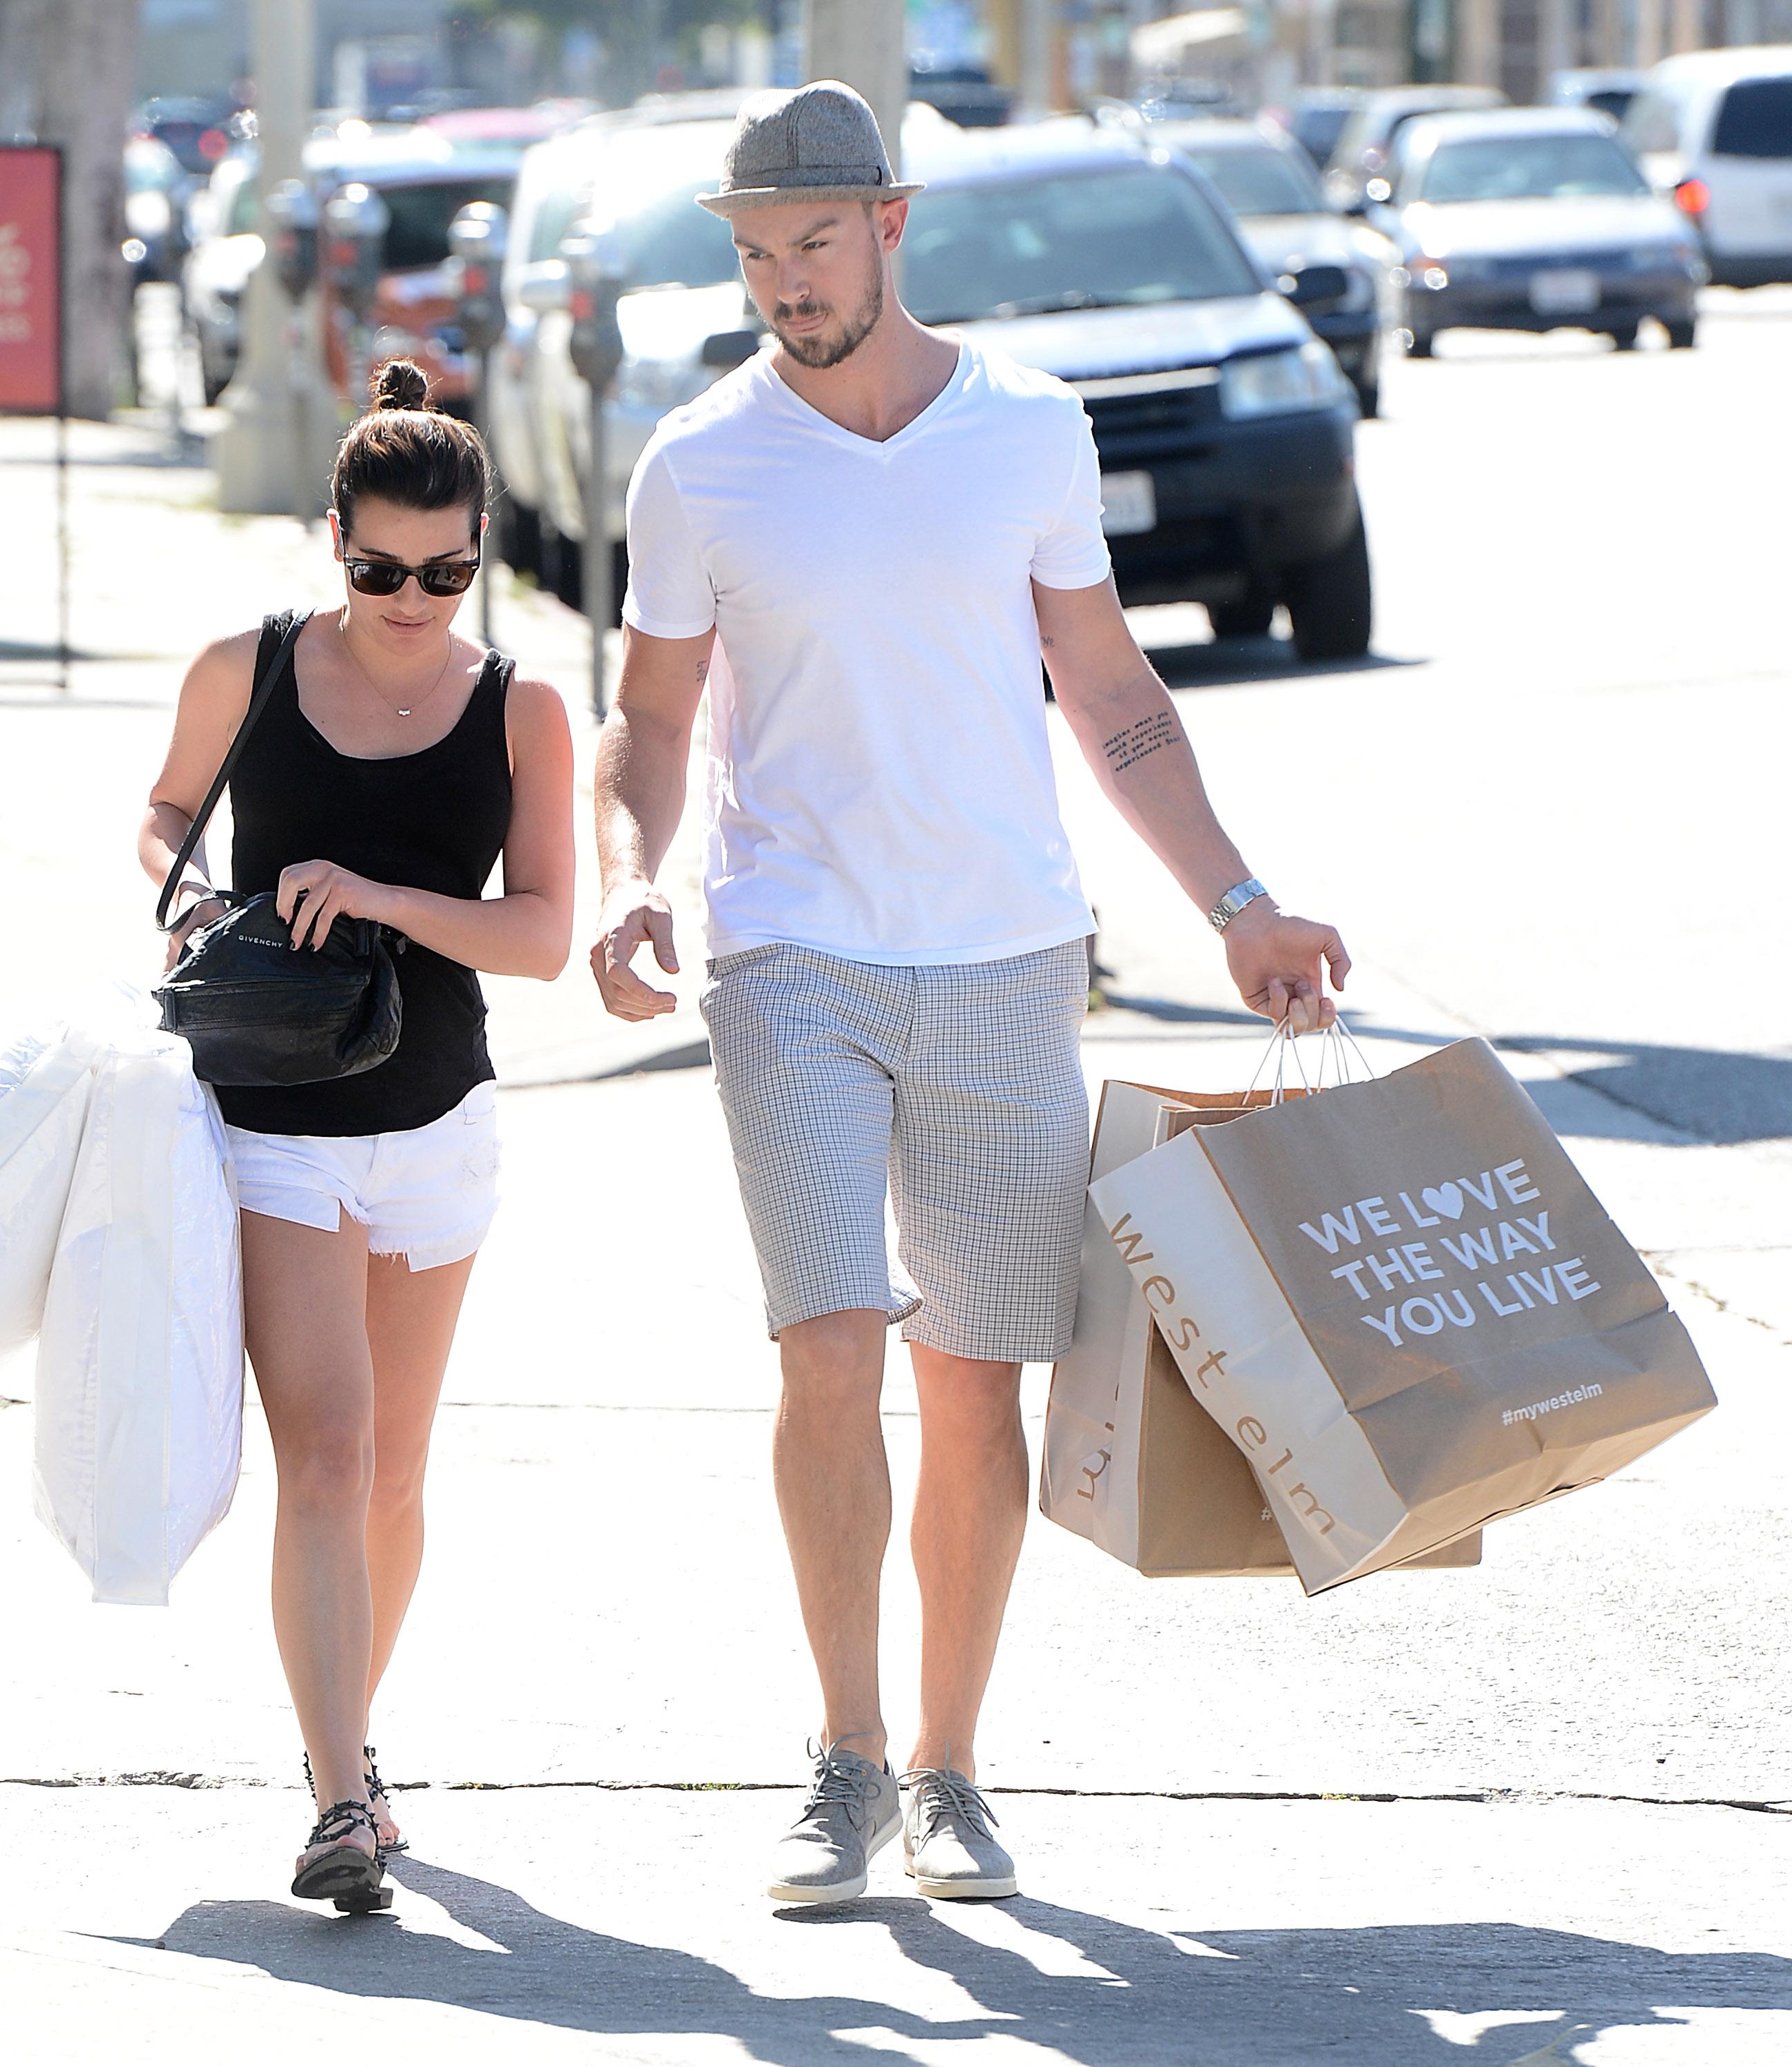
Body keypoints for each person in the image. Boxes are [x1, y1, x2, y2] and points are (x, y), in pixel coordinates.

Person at [591, 83, 1350, 1908]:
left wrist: (1238, 900)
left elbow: (1106, 689)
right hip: (791, 951)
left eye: (815, 247)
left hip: (1007, 951)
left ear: (895, 224)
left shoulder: (1027, 429)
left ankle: (950, 1769)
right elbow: (654, 717)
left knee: (972, 1376)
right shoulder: (698, 462)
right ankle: (843, 1761)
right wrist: (631, 881)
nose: (785, 286)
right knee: (830, 1340)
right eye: (758, 255)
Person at [140, 364, 573, 1909]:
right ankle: (337, 1802)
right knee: (324, 1454)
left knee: (392, 1473)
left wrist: (388, 898)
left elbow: (540, 937)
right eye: (381, 569)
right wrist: (191, 891)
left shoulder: (519, 704)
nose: (413, 599)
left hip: (438, 1117)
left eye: (447, 572)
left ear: (482, 552)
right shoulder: (244, 667)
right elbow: (166, 812)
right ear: (334, 538)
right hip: (275, 1119)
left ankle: (359, 1745)